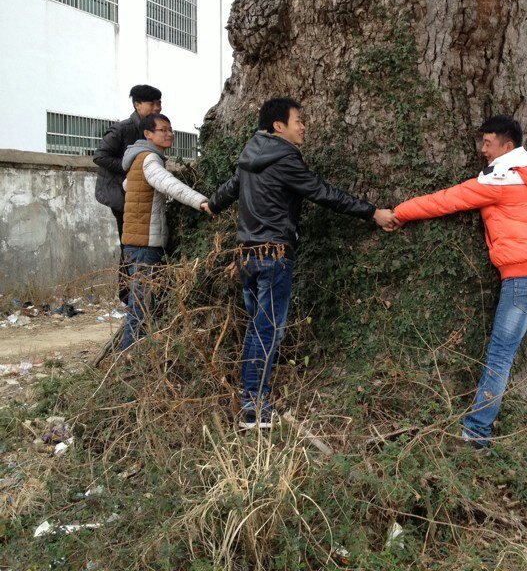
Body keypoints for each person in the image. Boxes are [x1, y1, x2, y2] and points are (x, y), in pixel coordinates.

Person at [391, 116, 527, 446]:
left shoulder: (497, 181)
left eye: (487, 143)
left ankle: (477, 431)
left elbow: (443, 200)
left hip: (521, 281)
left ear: (507, 146)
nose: (482, 150)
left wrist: (399, 212)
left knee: (499, 358)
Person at [206, 97, 397, 429]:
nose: (304, 125)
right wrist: (372, 212)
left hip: (247, 254)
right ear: (279, 126)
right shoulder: (284, 158)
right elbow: (322, 192)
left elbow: (230, 189)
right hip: (273, 253)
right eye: (298, 120)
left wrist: (212, 204)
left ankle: (252, 402)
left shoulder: (249, 156)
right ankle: (255, 409)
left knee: (257, 329)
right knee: (268, 332)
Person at [119, 113, 209, 351]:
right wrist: (202, 202)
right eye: (163, 130)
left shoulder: (137, 159)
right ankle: (126, 359)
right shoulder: (149, 159)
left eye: (170, 129)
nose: (169, 134)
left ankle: (137, 354)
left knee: (142, 301)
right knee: (141, 304)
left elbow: (127, 185)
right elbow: (170, 185)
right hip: (145, 244)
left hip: (135, 241)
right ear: (148, 134)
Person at [93, 84, 163, 305]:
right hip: (120, 198)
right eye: (152, 103)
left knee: (138, 245)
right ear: (137, 105)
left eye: (159, 103)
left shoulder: (152, 129)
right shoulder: (122, 129)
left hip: (140, 197)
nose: (157, 108)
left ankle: (138, 293)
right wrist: (130, 167)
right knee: (130, 246)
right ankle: (128, 296)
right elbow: (100, 156)